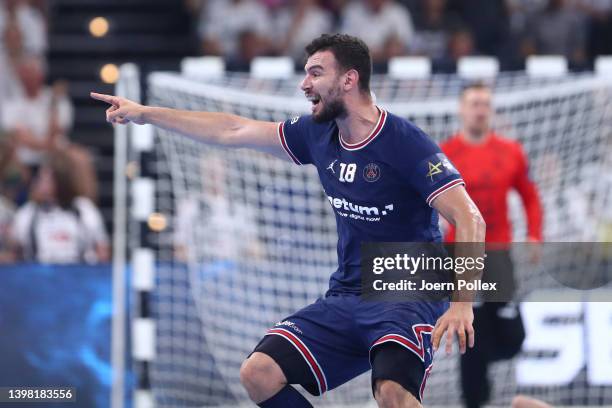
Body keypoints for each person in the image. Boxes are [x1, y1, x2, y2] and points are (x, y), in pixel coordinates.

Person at [92, 33, 485, 408]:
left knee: (392, 395)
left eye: (316, 73)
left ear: (349, 80)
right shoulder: (317, 134)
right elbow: (234, 129)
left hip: (407, 293)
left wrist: (463, 303)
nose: (304, 83)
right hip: (348, 293)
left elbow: (470, 219)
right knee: (258, 373)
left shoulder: (405, 142)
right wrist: (145, 114)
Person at [441, 82, 543, 408]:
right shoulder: (444, 154)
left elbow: (530, 197)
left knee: (512, 337)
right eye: (474, 103)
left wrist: (535, 234)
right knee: (470, 333)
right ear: (461, 109)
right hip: (459, 254)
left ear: (492, 110)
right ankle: (475, 402)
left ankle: (480, 369)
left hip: (498, 253)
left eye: (485, 103)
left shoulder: (511, 151)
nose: (480, 109)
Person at [10, 150, 110, 264]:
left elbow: (102, 251)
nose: (42, 183)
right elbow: (15, 255)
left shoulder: (84, 209)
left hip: (80, 275)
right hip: (38, 277)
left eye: (48, 179)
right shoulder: (27, 213)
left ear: (61, 180)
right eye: (41, 178)